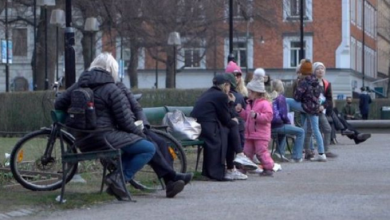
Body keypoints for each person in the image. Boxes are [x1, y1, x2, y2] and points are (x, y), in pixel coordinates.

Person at [55, 53, 157, 200]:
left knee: (132, 147)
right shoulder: (112, 89)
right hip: (104, 138)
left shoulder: (79, 85)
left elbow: (59, 104)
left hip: (82, 140)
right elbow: (126, 122)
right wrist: (140, 135)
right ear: (111, 70)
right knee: (148, 148)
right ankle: (119, 179)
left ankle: (117, 180)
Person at [116, 82, 194, 191]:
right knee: (151, 145)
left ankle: (170, 182)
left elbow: (137, 108)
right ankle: (171, 179)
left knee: (161, 142)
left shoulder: (120, 86)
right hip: (125, 131)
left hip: (136, 127)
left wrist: (143, 124)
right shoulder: (110, 90)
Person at [191, 74, 257, 181]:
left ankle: (235, 164)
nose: (230, 89)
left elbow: (224, 116)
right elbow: (226, 118)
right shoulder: (220, 96)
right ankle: (238, 158)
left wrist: (230, 111)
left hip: (203, 127)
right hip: (209, 129)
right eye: (229, 86)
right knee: (233, 126)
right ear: (225, 85)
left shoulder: (209, 93)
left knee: (232, 127)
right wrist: (231, 103)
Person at [286, 59, 327, 162]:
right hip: (315, 108)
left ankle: (286, 120)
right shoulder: (316, 81)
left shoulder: (303, 81)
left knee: (286, 100)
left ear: (302, 71)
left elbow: (296, 97)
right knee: (316, 130)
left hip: (305, 107)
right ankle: (322, 154)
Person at [236, 71, 275, 176]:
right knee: (247, 152)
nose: (248, 94)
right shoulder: (249, 104)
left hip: (260, 134)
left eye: (250, 92)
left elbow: (268, 117)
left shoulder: (264, 104)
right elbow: (247, 117)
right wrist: (241, 112)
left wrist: (257, 116)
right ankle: (244, 167)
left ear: (257, 92)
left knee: (261, 152)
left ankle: (268, 167)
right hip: (250, 134)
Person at [303, 62, 335, 159]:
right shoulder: (310, 81)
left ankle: (326, 150)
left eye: (322, 69)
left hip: (320, 110)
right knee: (309, 130)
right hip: (310, 109)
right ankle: (308, 151)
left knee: (327, 128)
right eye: (318, 69)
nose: (320, 70)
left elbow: (329, 98)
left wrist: (323, 106)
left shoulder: (326, 83)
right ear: (314, 71)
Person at [270, 79, 305, 163]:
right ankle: (296, 156)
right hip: (278, 125)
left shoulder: (269, 97)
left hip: (270, 127)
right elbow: (283, 115)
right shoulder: (281, 98)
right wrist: (289, 123)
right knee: (301, 131)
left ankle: (279, 152)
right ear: (281, 87)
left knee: (285, 131)